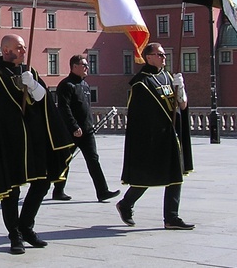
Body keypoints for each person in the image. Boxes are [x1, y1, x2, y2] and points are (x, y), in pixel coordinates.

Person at [0, 34, 74, 255]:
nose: (23, 51)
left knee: (42, 183)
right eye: (19, 48)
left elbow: (44, 102)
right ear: (6, 50)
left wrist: (33, 86)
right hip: (11, 142)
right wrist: (23, 90)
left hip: (34, 140)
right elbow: (5, 108)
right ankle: (15, 235)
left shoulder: (30, 72)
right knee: (11, 190)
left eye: (24, 47)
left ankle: (26, 226)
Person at [117, 42, 194, 230]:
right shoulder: (141, 82)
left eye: (164, 54)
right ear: (148, 57)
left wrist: (181, 90)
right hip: (153, 137)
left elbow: (181, 107)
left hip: (171, 135)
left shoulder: (168, 76)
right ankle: (126, 204)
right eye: (159, 54)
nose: (164, 57)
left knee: (176, 176)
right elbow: (142, 115)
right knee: (147, 177)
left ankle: (171, 217)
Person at [51, 55, 120, 202]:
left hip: (87, 131)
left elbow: (86, 108)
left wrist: (89, 125)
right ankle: (58, 190)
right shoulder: (66, 85)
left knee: (93, 160)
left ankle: (102, 191)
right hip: (71, 132)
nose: (87, 67)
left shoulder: (85, 85)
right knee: (64, 160)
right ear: (74, 66)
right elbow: (64, 109)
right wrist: (74, 126)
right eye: (84, 65)